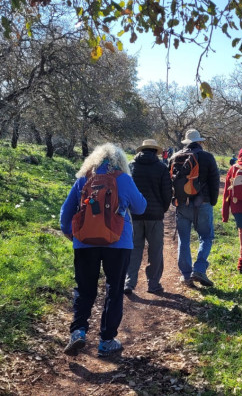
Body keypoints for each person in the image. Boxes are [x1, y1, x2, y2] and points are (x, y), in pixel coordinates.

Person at [59, 143, 147, 357]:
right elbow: (141, 207)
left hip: (84, 243)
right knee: (114, 290)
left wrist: (73, 235)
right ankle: (106, 341)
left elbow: (65, 213)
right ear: (120, 162)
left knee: (84, 289)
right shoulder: (123, 179)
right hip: (118, 242)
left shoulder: (83, 179)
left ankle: (78, 331)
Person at [170, 129, 220, 288]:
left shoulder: (175, 157)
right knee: (206, 237)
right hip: (202, 203)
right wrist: (212, 201)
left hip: (181, 204)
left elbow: (169, 181)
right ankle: (198, 268)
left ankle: (186, 276)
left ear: (186, 142)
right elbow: (214, 180)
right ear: (199, 142)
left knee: (183, 240)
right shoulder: (207, 157)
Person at [124, 139, 172, 295]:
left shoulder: (131, 166)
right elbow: (167, 194)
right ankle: (153, 284)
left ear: (141, 150)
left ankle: (129, 282)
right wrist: (161, 210)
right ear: (155, 151)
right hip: (155, 216)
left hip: (134, 215)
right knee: (155, 250)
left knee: (134, 249)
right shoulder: (161, 168)